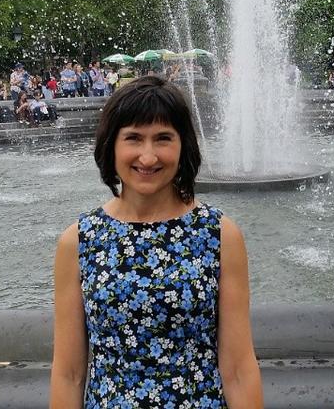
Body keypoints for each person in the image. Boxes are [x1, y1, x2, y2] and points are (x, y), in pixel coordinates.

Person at [50, 76, 263, 409]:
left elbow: (238, 369)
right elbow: (69, 373)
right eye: (133, 138)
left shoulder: (220, 234)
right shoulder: (78, 240)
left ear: (183, 145)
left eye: (163, 138)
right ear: (112, 145)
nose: (147, 157)